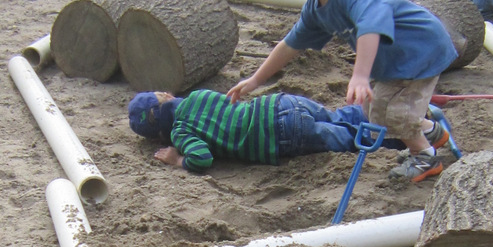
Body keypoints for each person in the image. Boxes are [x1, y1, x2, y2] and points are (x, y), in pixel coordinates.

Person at [226, 0, 458, 183]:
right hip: (396, 64)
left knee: (394, 114)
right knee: (374, 112)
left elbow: (372, 25)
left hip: (421, 52)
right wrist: (255, 80)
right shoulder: (316, 6)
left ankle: (425, 157)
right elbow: (290, 45)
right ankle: (430, 129)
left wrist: (360, 76)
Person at [128, 87, 379, 172]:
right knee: (335, 117)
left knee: (344, 139)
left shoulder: (180, 132)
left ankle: (392, 140)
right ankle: (382, 115)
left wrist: (177, 159)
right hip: (280, 102)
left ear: (158, 134)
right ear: (168, 96)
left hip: (278, 133)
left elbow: (202, 158)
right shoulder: (197, 96)